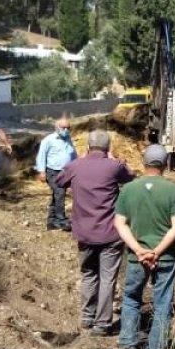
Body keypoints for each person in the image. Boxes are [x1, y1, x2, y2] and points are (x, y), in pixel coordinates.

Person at [56, 130, 135, 336]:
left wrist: (81, 159)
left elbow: (59, 180)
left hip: (84, 232)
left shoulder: (76, 166)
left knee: (88, 274)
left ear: (88, 147)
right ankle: (102, 323)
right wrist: (116, 160)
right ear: (108, 148)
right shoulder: (114, 167)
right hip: (110, 233)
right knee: (108, 278)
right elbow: (131, 176)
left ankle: (87, 316)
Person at [115, 144, 175, 349]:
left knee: (132, 297)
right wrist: (157, 251)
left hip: (137, 257)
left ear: (144, 163)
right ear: (165, 164)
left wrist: (138, 249)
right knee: (162, 303)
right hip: (165, 258)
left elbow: (119, 223)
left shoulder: (128, 189)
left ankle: (128, 343)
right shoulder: (173, 190)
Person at [36, 116, 78, 231]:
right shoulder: (48, 140)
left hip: (66, 172)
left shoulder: (69, 139)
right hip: (53, 172)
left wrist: (77, 168)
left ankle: (51, 221)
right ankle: (61, 220)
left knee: (57, 194)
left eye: (68, 128)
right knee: (59, 193)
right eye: (63, 127)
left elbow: (73, 155)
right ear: (56, 127)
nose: (66, 130)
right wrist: (41, 171)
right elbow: (41, 156)